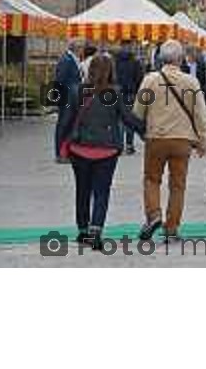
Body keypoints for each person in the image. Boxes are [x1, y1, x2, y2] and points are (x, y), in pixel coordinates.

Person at [59, 54, 145, 250]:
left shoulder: (77, 91)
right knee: (101, 192)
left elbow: (66, 121)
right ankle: (96, 231)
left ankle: (82, 231)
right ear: (110, 71)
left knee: (82, 190)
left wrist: (60, 147)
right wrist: (146, 130)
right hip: (107, 150)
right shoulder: (114, 93)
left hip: (79, 149)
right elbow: (128, 119)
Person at [133, 40, 206, 242]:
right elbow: (201, 115)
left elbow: (138, 110)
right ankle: (172, 228)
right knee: (178, 185)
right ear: (180, 59)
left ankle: (154, 215)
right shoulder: (191, 82)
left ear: (160, 59)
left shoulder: (150, 80)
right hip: (182, 140)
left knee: (151, 179)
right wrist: (203, 141)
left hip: (156, 138)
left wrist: (142, 131)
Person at [54, 39, 82, 163]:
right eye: (81, 46)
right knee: (63, 125)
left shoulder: (72, 59)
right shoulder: (66, 60)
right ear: (75, 47)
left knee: (69, 125)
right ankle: (60, 153)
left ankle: (66, 152)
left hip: (72, 97)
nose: (82, 49)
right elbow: (60, 81)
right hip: (67, 98)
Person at [115, 42, 144, 155]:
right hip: (131, 93)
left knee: (119, 120)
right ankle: (129, 145)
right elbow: (140, 79)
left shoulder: (115, 61)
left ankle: (120, 145)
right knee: (130, 118)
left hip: (117, 93)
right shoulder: (135, 62)